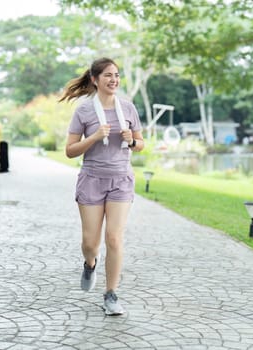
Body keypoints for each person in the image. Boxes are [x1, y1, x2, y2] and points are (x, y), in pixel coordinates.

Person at [59, 57, 144, 316]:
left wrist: (132, 142)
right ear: (95, 80)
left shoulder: (128, 108)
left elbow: (141, 143)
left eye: (116, 75)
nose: (114, 79)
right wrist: (94, 137)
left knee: (114, 238)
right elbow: (70, 151)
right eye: (108, 75)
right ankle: (89, 263)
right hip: (92, 180)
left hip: (121, 180)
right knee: (90, 243)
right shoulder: (84, 111)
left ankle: (110, 295)